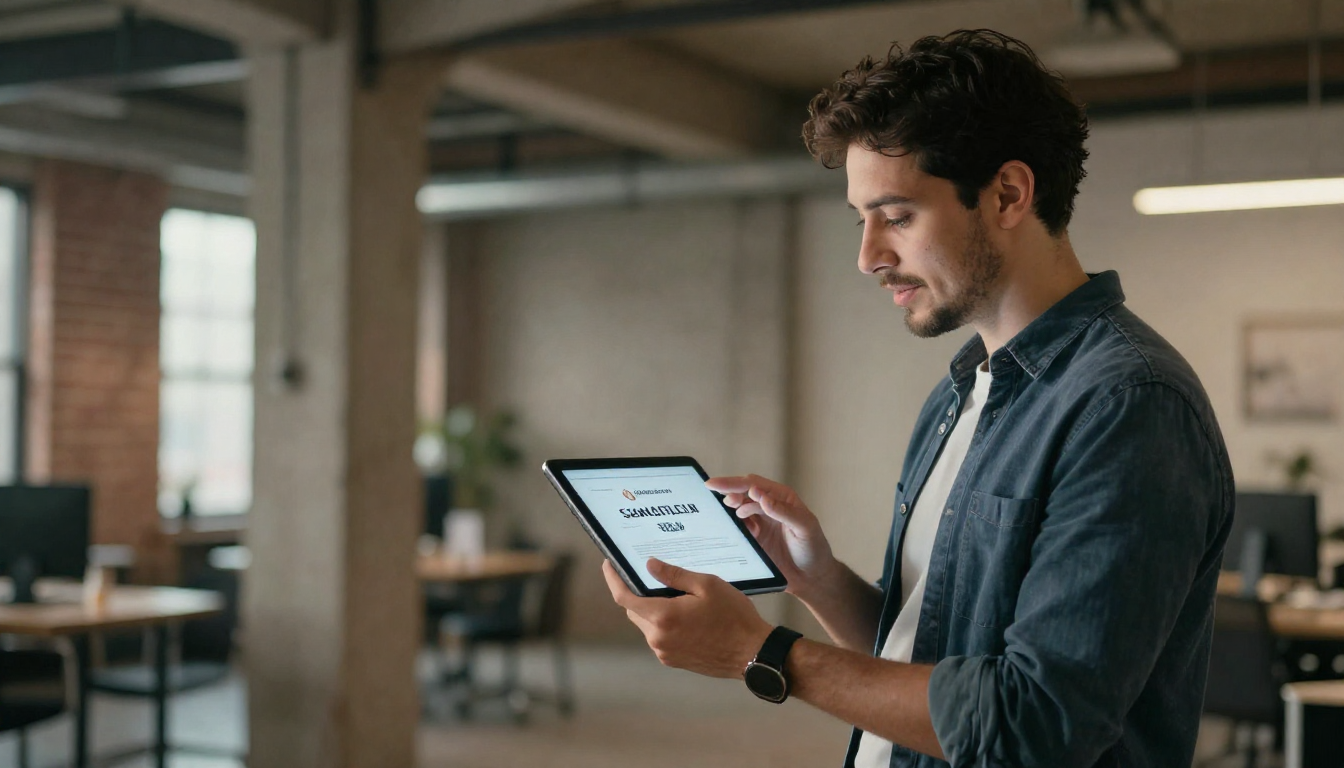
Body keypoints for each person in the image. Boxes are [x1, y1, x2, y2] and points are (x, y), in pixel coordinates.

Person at [601, 29, 1235, 768]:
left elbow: (1037, 722)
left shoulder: (1130, 406)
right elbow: (929, 655)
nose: (868, 255)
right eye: (862, 219)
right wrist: (819, 580)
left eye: (897, 217)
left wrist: (757, 650)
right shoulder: (960, 391)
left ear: (1007, 194)